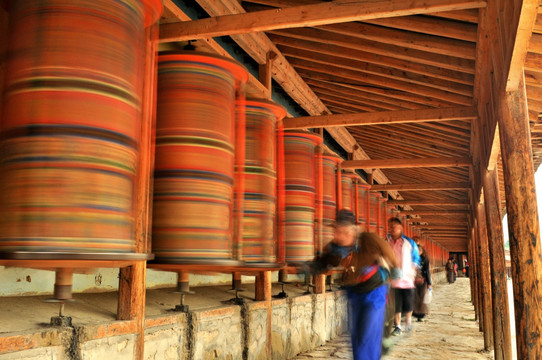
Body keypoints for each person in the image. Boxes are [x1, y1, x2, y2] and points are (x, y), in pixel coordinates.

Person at [311, 209, 399, 360]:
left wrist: (395, 270)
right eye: (337, 231)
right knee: (357, 336)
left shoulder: (369, 239)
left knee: (367, 334)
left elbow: (388, 252)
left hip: (375, 292)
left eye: (343, 231)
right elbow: (323, 262)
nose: (339, 235)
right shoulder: (336, 247)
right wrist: (303, 268)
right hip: (354, 294)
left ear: (352, 231)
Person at [386, 217, 420, 336]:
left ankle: (409, 322)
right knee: (397, 304)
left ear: (401, 228)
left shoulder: (409, 243)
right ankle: (398, 326)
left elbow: (416, 258)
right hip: (393, 279)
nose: (391, 229)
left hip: (407, 279)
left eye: (394, 226)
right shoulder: (387, 242)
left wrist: (412, 270)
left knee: (408, 303)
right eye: (390, 227)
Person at [412, 244, 432, 322]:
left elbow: (427, 271)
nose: (419, 251)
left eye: (420, 250)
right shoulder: (412, 258)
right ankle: (415, 313)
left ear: (422, 251)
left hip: (423, 280)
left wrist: (429, 283)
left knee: (422, 297)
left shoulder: (425, 259)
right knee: (415, 297)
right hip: (413, 280)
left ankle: (421, 314)